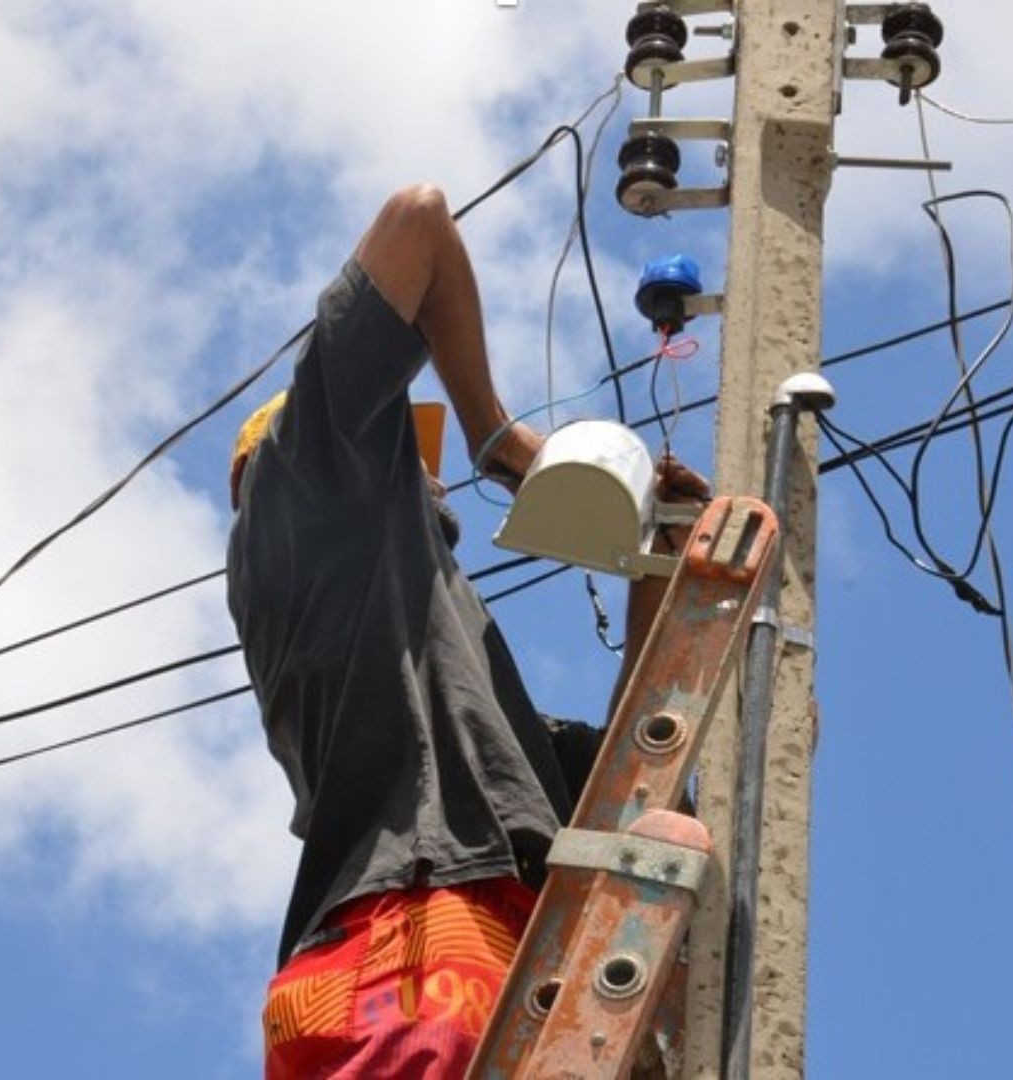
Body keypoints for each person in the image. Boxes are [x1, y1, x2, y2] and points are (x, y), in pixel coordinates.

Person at [227, 182, 708, 1079]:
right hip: (409, 950)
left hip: (472, 956)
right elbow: (420, 221)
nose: (433, 481)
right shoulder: (303, 503)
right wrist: (500, 440)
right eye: (410, 455)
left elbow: (630, 777)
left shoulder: (453, 671)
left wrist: (667, 572)